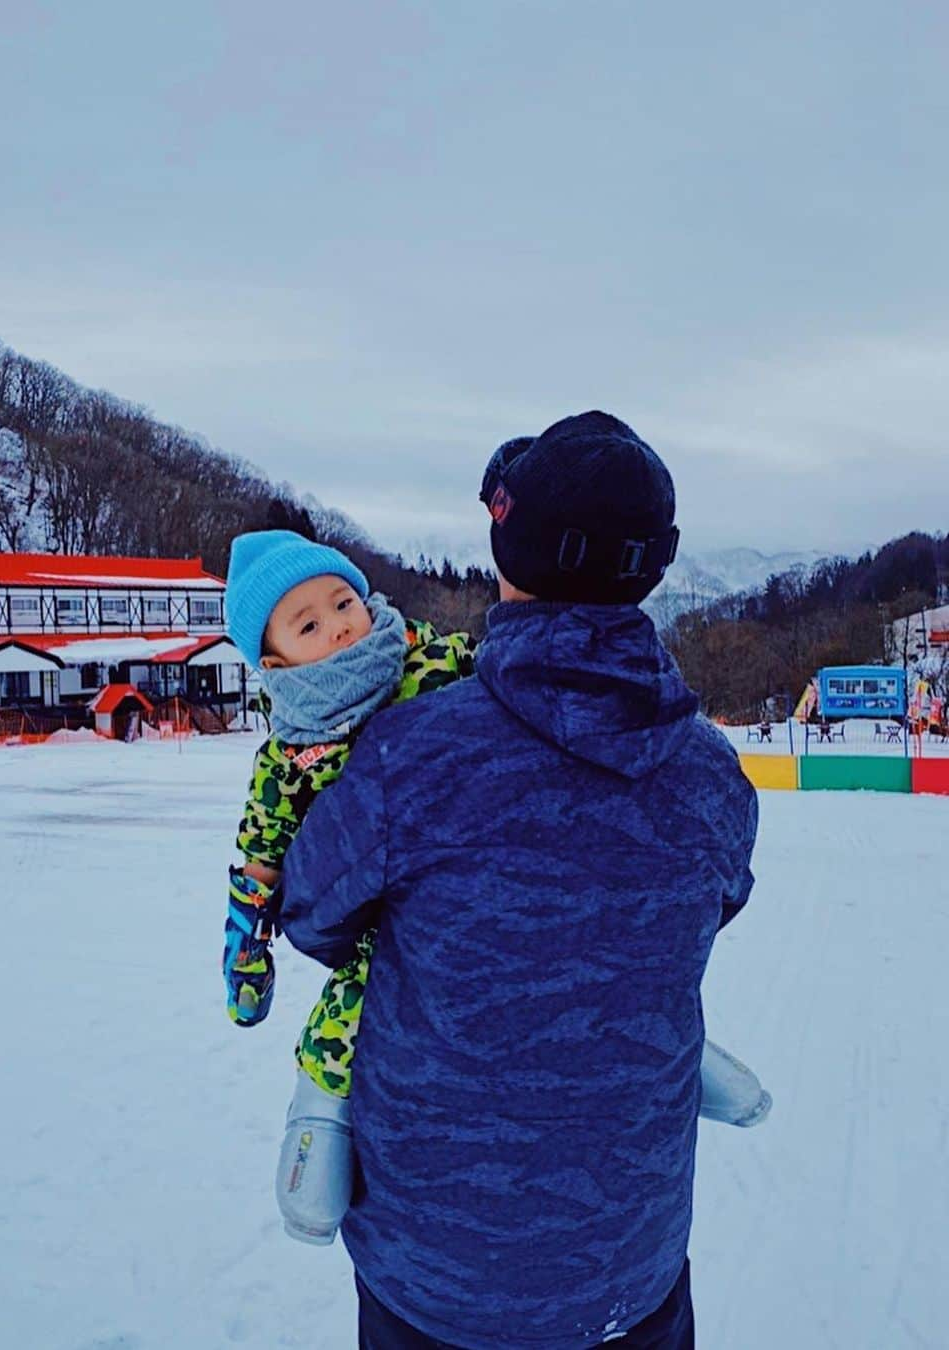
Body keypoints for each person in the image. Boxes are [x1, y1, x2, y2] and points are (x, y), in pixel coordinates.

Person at [277, 412, 762, 1349]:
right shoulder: (711, 780)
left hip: (433, 1279)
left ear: (509, 551)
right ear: (655, 566)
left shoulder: (407, 761)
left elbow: (314, 919)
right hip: (633, 1266)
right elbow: (713, 908)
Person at [221, 530, 476, 1241]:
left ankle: (668, 1044)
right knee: (358, 1000)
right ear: (274, 661)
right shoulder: (288, 756)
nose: (338, 625)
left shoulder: (431, 664)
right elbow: (260, 853)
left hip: (481, 863)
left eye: (343, 602)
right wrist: (246, 946)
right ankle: (320, 1114)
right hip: (384, 911)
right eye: (309, 624)